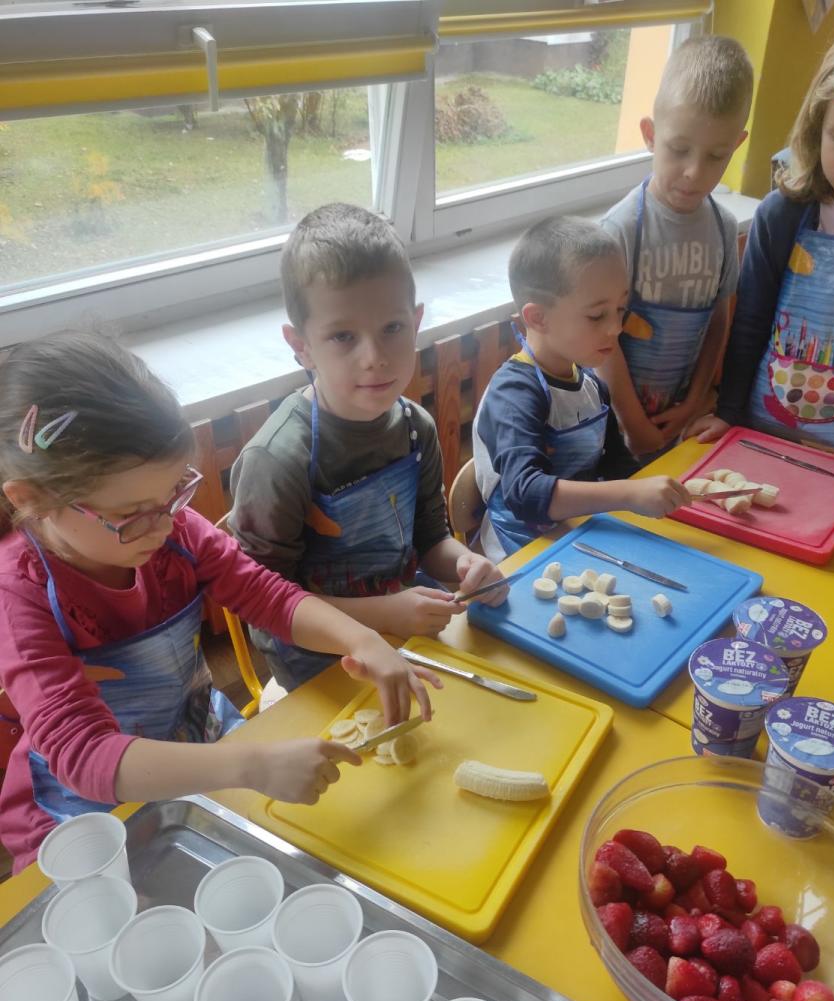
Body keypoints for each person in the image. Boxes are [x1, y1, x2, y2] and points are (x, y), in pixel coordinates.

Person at [0, 333, 437, 872]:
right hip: (81, 807)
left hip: (197, 738)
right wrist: (250, 765)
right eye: (131, 514)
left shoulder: (176, 530)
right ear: (32, 499)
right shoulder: (18, 593)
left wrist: (362, 639)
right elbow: (83, 754)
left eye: (171, 495)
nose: (163, 525)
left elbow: (265, 595)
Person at [229, 203, 507, 691]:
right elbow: (268, 606)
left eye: (392, 329)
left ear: (415, 322)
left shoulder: (416, 428)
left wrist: (464, 563)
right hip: (318, 662)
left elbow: (430, 541)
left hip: (404, 625)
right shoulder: (277, 460)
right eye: (342, 336)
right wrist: (384, 614)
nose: (374, 358)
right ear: (301, 346)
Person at [689, 4, 834, 461]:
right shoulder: (783, 216)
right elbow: (750, 321)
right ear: (816, 127)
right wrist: (728, 411)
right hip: (763, 432)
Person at [471, 215, 690, 562]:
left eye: (620, 309)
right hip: (521, 558)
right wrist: (629, 494)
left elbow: (618, 466)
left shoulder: (590, 384)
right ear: (538, 318)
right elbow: (525, 494)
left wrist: (667, 492)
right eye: (597, 316)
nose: (616, 328)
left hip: (580, 538)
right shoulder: (513, 395)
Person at [601, 35, 754, 458]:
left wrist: (693, 403)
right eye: (679, 149)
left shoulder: (723, 228)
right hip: (611, 430)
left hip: (680, 425)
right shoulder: (620, 230)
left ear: (737, 146)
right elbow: (602, 340)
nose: (693, 172)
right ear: (650, 134)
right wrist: (635, 425)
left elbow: (718, 323)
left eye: (715, 156)